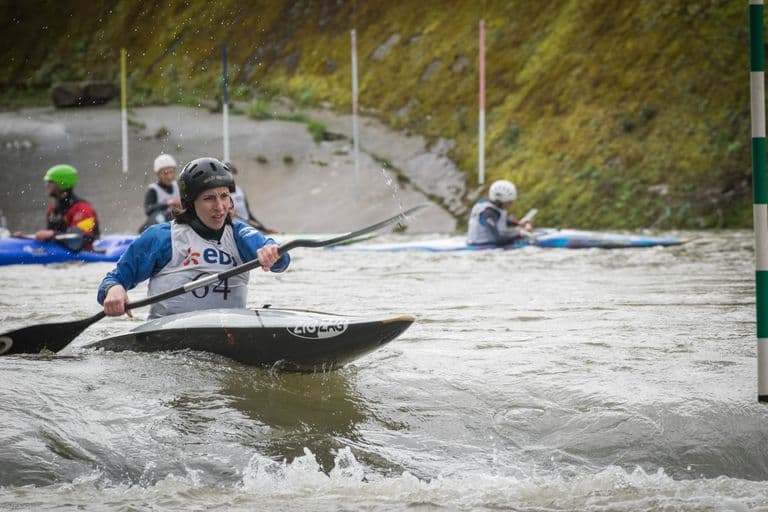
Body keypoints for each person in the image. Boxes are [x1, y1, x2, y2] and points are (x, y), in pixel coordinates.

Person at [98, 157, 289, 319]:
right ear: (190, 203)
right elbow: (113, 279)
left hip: (229, 331)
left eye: (224, 196)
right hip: (169, 339)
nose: (220, 206)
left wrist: (272, 253)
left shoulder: (239, 233)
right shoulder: (161, 237)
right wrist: (114, 290)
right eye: (209, 198)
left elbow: (280, 260)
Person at [13, 164, 100, 251]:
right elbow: (50, 235)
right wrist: (24, 237)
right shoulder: (53, 209)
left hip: (83, 256)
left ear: (61, 183)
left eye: (50, 182)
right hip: (60, 252)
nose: (46, 185)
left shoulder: (82, 209)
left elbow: (80, 240)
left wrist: (53, 234)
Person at [466, 179, 533, 246]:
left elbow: (501, 221)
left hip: (488, 244)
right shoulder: (488, 213)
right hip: (481, 247)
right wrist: (520, 235)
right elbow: (498, 241)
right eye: (509, 202)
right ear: (500, 200)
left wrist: (519, 223)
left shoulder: (494, 209)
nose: (511, 204)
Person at [226, 161, 276, 233]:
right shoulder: (220, 194)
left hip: (246, 228)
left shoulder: (240, 191)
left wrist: (264, 229)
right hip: (232, 231)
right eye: (228, 172)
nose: (230, 175)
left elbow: (248, 215)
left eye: (232, 172)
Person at [139, 153, 181, 232]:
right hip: (159, 225)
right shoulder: (153, 190)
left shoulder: (178, 186)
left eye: (171, 172)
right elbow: (149, 210)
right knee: (160, 217)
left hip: (175, 223)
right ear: (157, 174)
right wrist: (168, 203)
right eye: (165, 173)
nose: (169, 176)